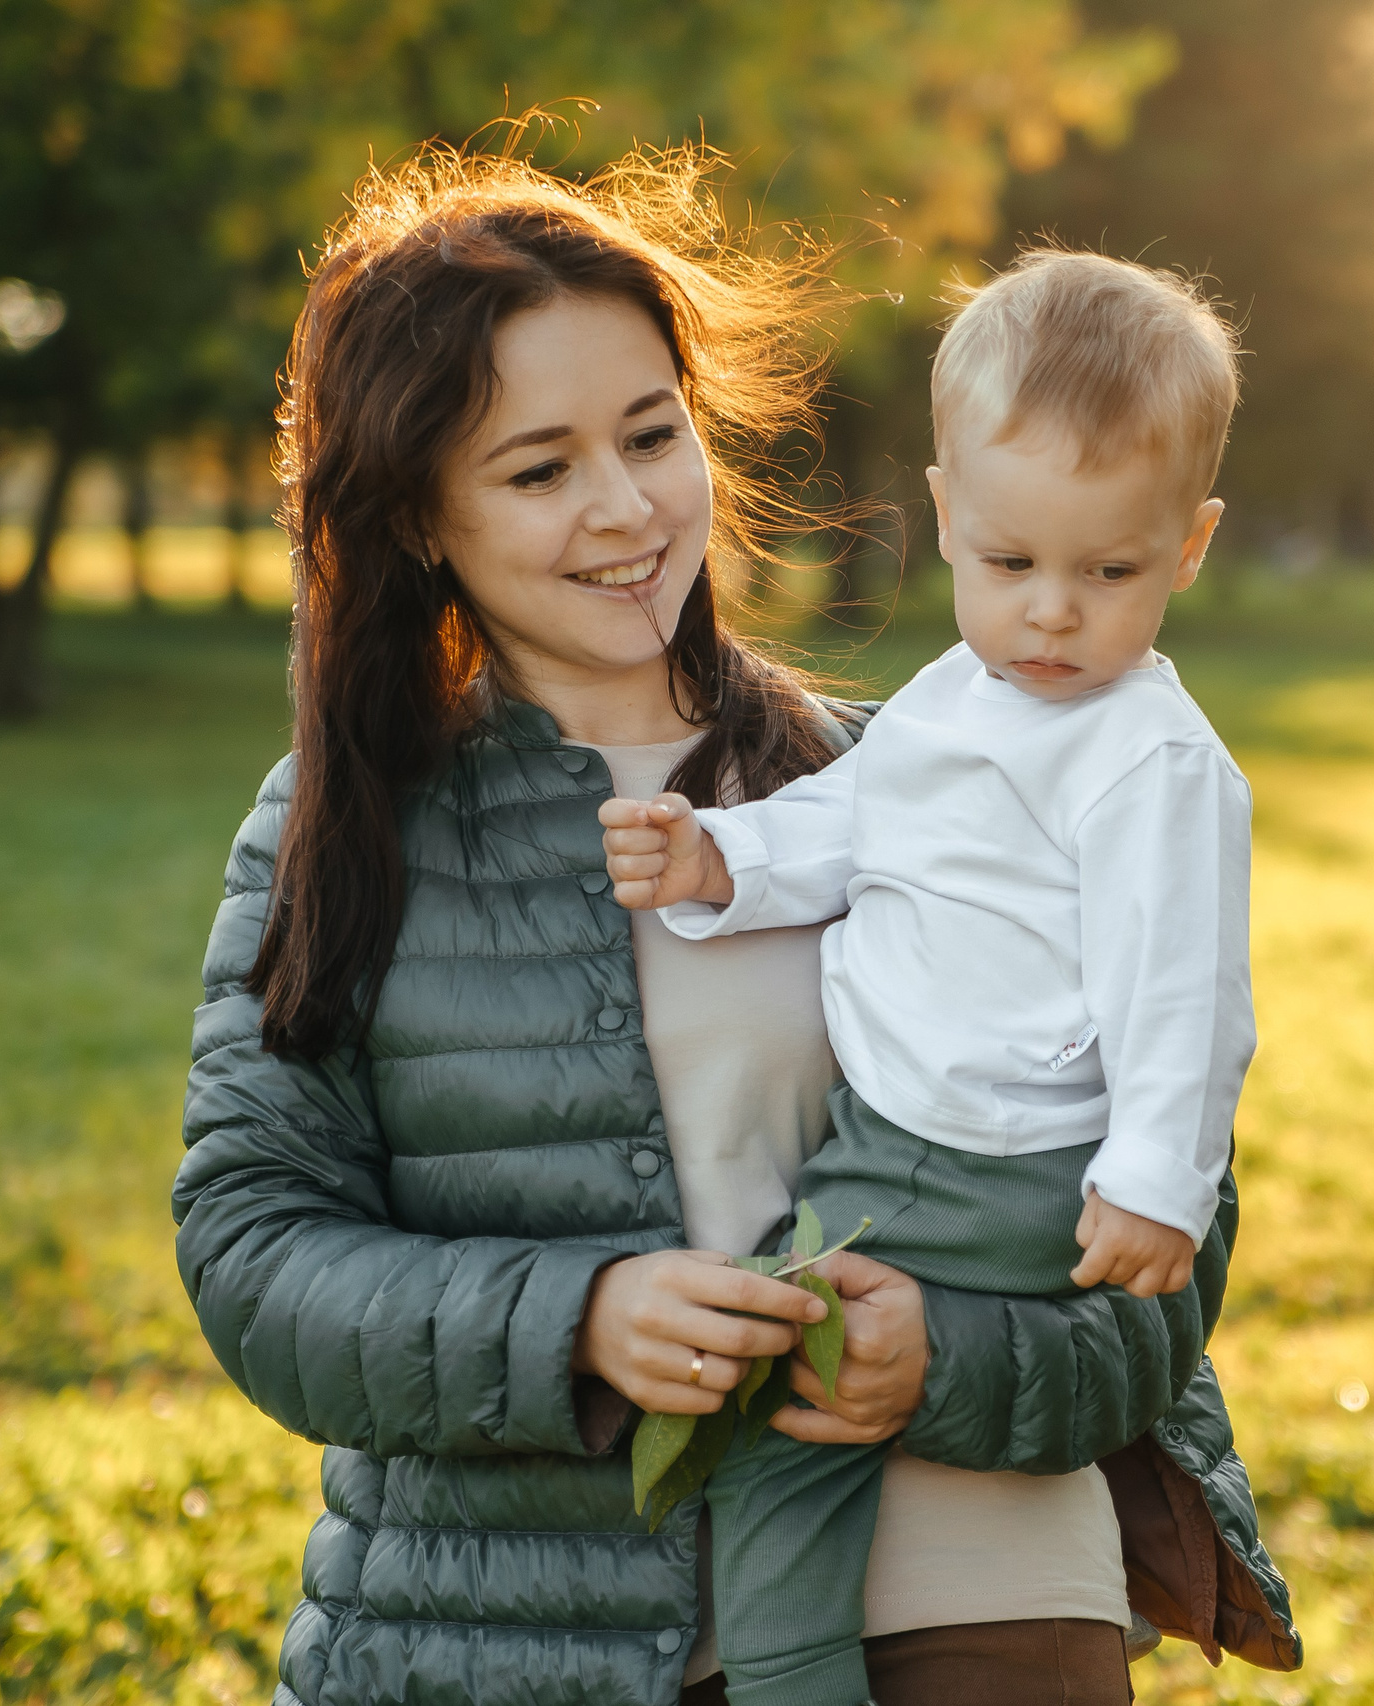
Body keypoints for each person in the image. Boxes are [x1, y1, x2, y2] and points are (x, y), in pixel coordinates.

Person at [175, 146, 1299, 1706]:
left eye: (651, 433)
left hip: (970, 1575)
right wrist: (579, 1319)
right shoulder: (346, 831)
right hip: (534, 1624)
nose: (626, 506)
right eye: (538, 467)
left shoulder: (903, 765)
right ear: (424, 516)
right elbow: (252, 1248)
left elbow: (1173, 1221)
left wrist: (954, 1361)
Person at [598, 251, 1263, 1706]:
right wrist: (721, 861)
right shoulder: (953, 702)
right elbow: (844, 826)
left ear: (1190, 544)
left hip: (1017, 1172)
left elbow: (1186, 993)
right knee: (789, 1445)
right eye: (1011, 562)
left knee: (789, 1427)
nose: (1051, 615)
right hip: (886, 1153)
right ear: (949, 510)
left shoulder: (1150, 760)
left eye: (1112, 572)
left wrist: (1161, 1173)